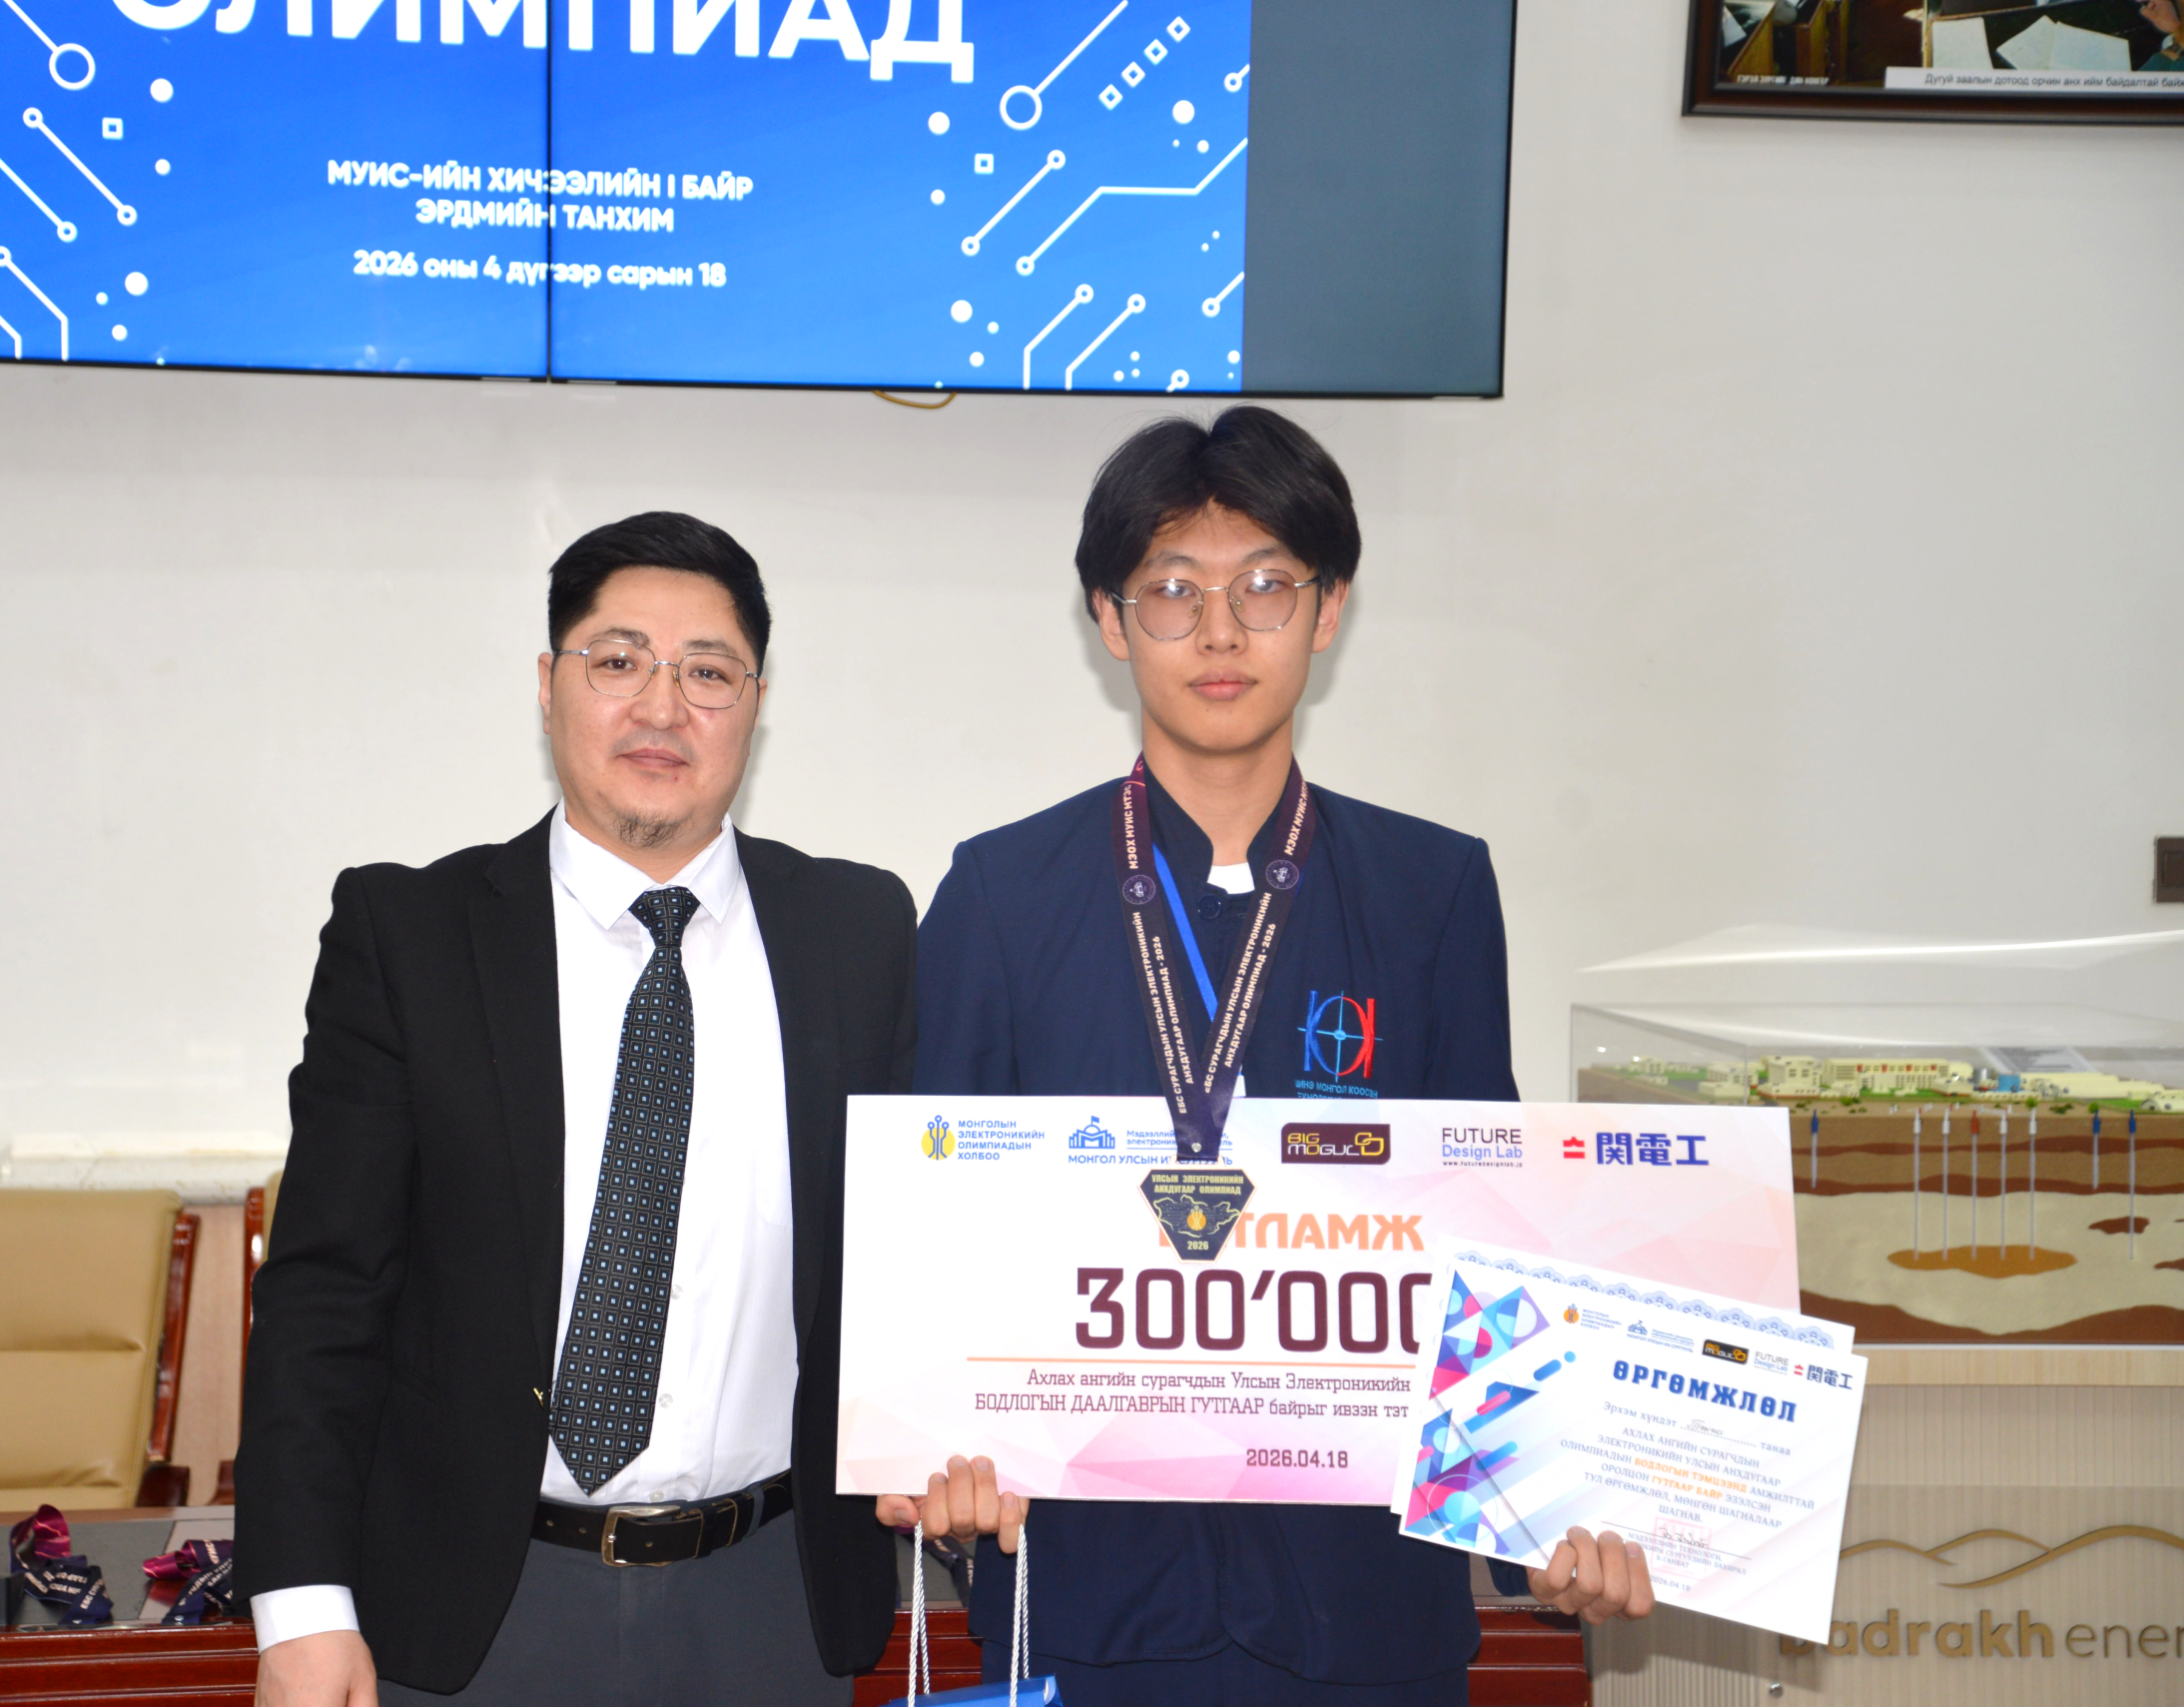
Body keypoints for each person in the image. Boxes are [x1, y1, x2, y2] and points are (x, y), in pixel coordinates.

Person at [875, 409, 1653, 1706]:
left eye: (1265, 586)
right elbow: (937, 1236)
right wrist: (933, 1456)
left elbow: (1491, 1237)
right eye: (1173, 590)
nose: (1221, 631)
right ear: (1109, 619)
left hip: (1364, 1611)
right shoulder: (1002, 893)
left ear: (1329, 608)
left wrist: (1543, 1526)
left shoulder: (1430, 890)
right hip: (1089, 1606)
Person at [238, 512, 912, 1707]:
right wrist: (299, 1603)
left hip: (769, 1599)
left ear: (755, 704)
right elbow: (325, 1290)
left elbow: (908, 1251)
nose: (662, 706)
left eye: (708, 671)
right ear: (548, 685)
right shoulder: (413, 935)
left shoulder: (857, 931)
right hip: (477, 1605)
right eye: (618, 660)